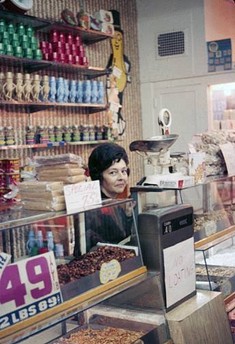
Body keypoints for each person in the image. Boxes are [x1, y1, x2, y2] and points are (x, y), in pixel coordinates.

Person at [83, 142, 134, 251]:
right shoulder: (95, 209)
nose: (121, 178)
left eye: (124, 171)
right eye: (113, 173)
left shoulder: (115, 204)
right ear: (99, 176)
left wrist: (129, 215)